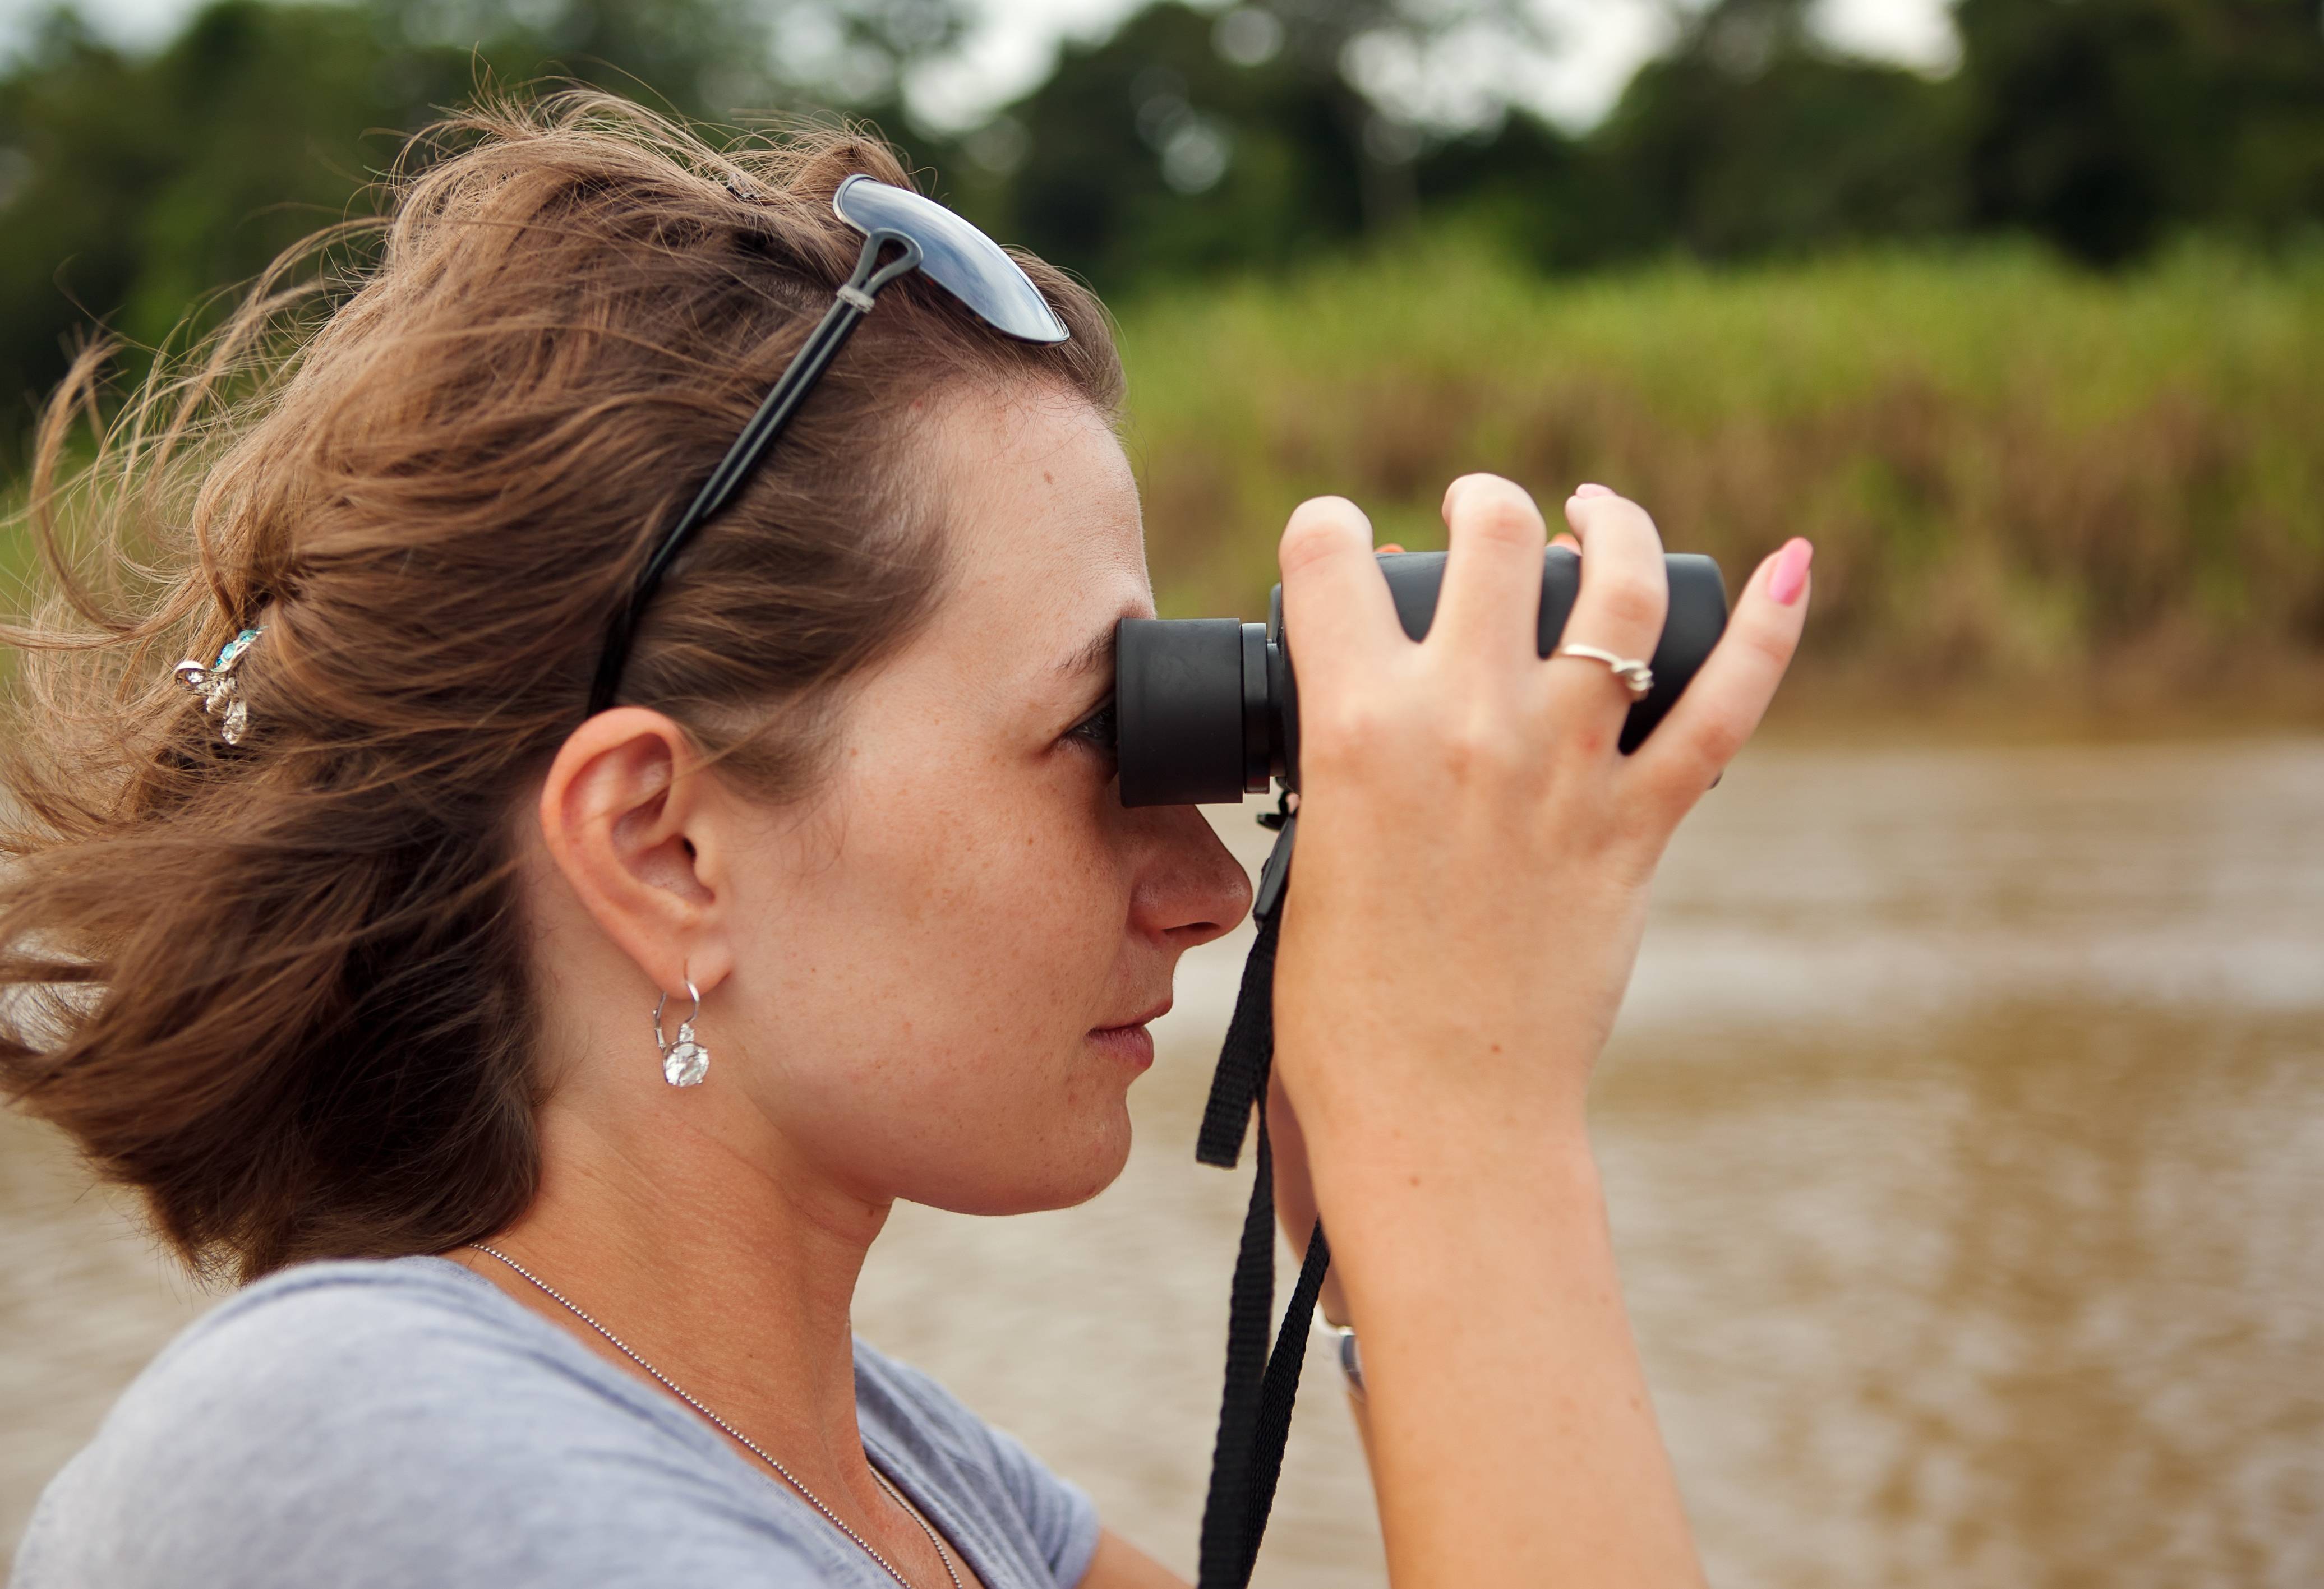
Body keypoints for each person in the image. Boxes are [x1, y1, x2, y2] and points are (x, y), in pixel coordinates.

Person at [0, 91, 1812, 1589]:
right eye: (1095, 742)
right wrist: (1462, 1133)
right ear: (664, 849)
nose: (1203, 888)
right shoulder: (356, 1454)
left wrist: (1388, 1218)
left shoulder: (904, 1478)